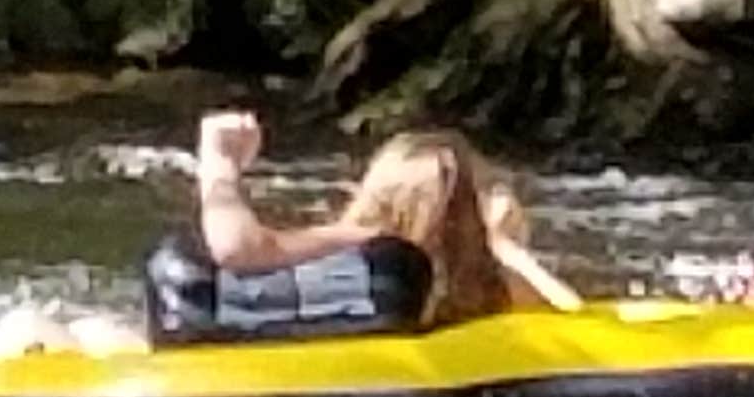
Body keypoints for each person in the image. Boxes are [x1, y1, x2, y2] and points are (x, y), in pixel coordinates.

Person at [191, 111, 577, 327]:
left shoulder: (479, 279)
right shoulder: (370, 249)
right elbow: (238, 249)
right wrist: (219, 166)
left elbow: (575, 329)